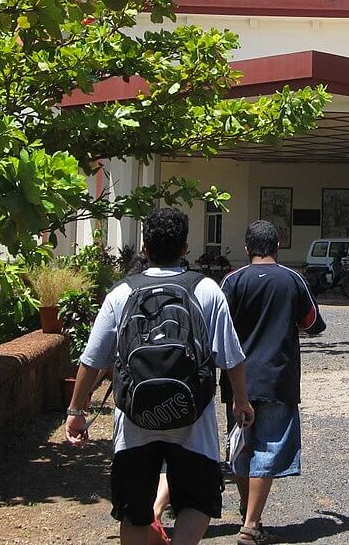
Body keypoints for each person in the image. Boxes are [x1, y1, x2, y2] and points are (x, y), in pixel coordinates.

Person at [66, 208, 255, 545]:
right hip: (193, 419)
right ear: (185, 248)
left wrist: (76, 411)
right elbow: (231, 358)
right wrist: (241, 401)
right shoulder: (207, 290)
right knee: (197, 502)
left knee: (134, 509)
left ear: (144, 248)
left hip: (135, 420)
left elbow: (92, 360)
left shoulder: (121, 293)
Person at [221, 220, 326, 545]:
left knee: (242, 444)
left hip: (236, 380)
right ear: (278, 246)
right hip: (278, 378)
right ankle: (251, 524)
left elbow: (216, 326)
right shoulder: (292, 279)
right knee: (269, 445)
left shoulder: (232, 281)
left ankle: (247, 509)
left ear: (247, 249)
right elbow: (311, 323)